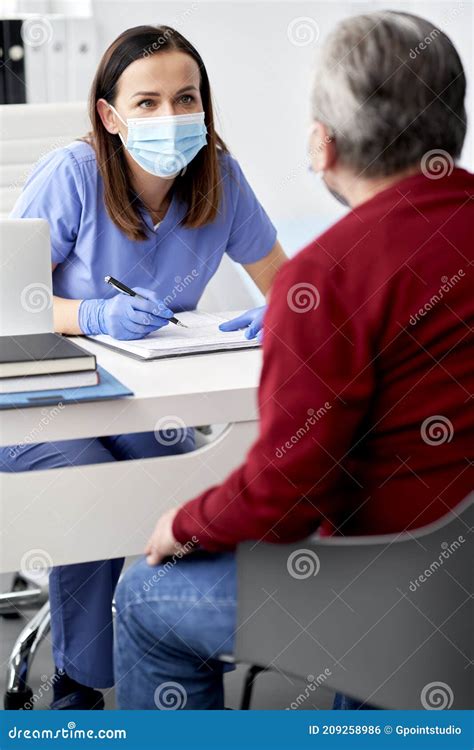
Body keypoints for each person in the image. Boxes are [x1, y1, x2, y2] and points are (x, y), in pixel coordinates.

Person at [114, 11, 473, 710]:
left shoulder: (329, 276)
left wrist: (187, 523)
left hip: (399, 598)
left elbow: (286, 499)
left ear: (322, 144)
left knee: (145, 595)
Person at [0, 25, 287, 709]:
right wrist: (91, 315)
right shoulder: (73, 174)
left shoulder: (220, 176)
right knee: (91, 480)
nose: (172, 117)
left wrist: (287, 312)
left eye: (186, 98)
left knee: (179, 474)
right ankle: (77, 683)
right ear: (109, 114)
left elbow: (287, 281)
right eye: (148, 101)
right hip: (43, 404)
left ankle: (176, 653)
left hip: (146, 391)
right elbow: (8, 301)